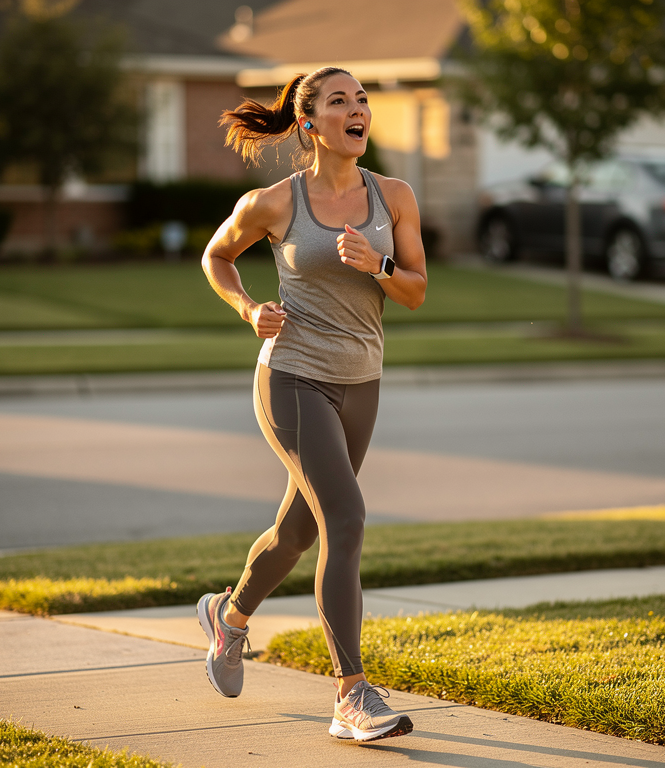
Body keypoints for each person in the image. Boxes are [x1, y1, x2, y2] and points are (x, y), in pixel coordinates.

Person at [198, 66, 427, 743]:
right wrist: (248, 309)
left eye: (362, 99)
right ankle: (352, 695)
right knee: (347, 517)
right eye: (339, 101)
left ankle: (229, 617)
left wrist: (375, 266)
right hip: (293, 379)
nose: (357, 110)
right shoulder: (274, 202)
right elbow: (217, 256)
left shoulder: (395, 196)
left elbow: (415, 290)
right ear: (310, 124)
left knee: (298, 532)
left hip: (363, 383)